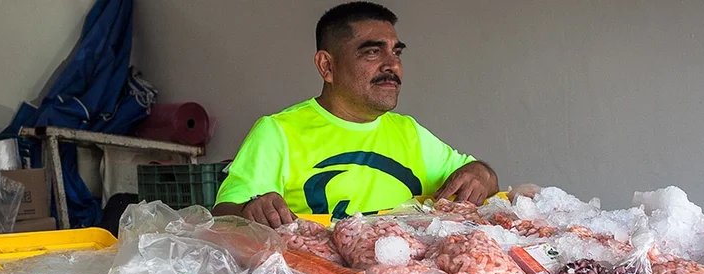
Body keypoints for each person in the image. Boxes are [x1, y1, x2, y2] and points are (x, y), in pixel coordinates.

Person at [213, 2, 498, 228]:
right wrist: (251, 210)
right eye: (372, 52)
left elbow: (480, 177)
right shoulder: (278, 132)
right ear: (327, 66)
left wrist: (480, 173)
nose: (393, 66)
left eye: (396, 53)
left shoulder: (409, 131)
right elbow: (223, 217)